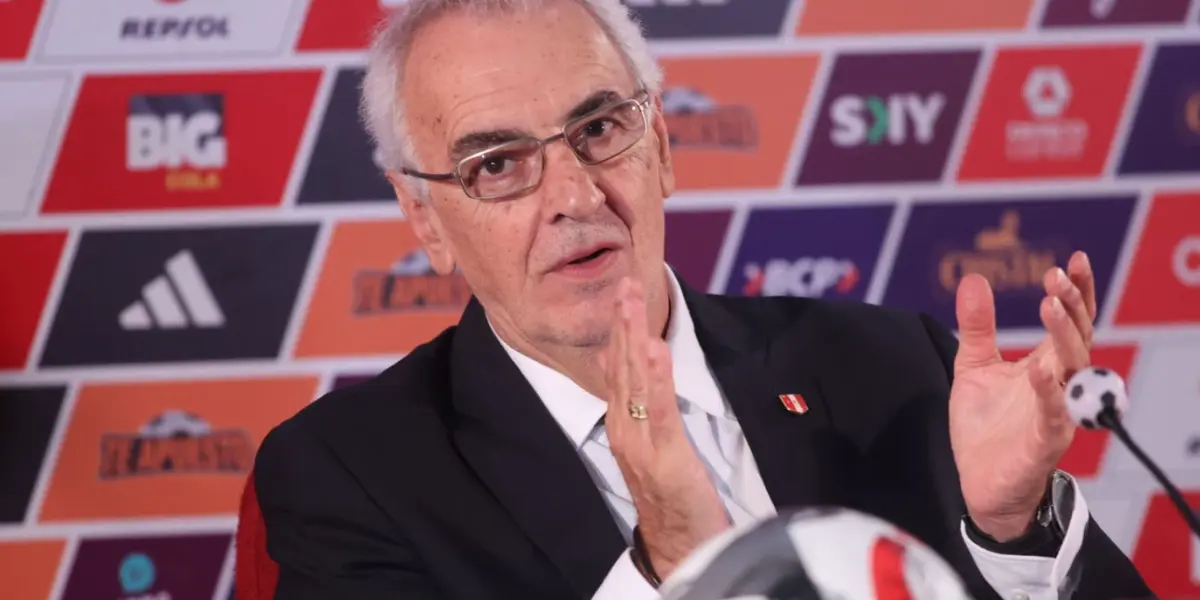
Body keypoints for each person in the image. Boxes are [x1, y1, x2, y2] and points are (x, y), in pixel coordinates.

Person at [252, 1, 1153, 599]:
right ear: (426, 217)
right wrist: (672, 566)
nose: (574, 195)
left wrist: (1013, 529)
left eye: (599, 129)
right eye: (498, 165)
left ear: (664, 147)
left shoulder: (894, 370)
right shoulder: (352, 476)